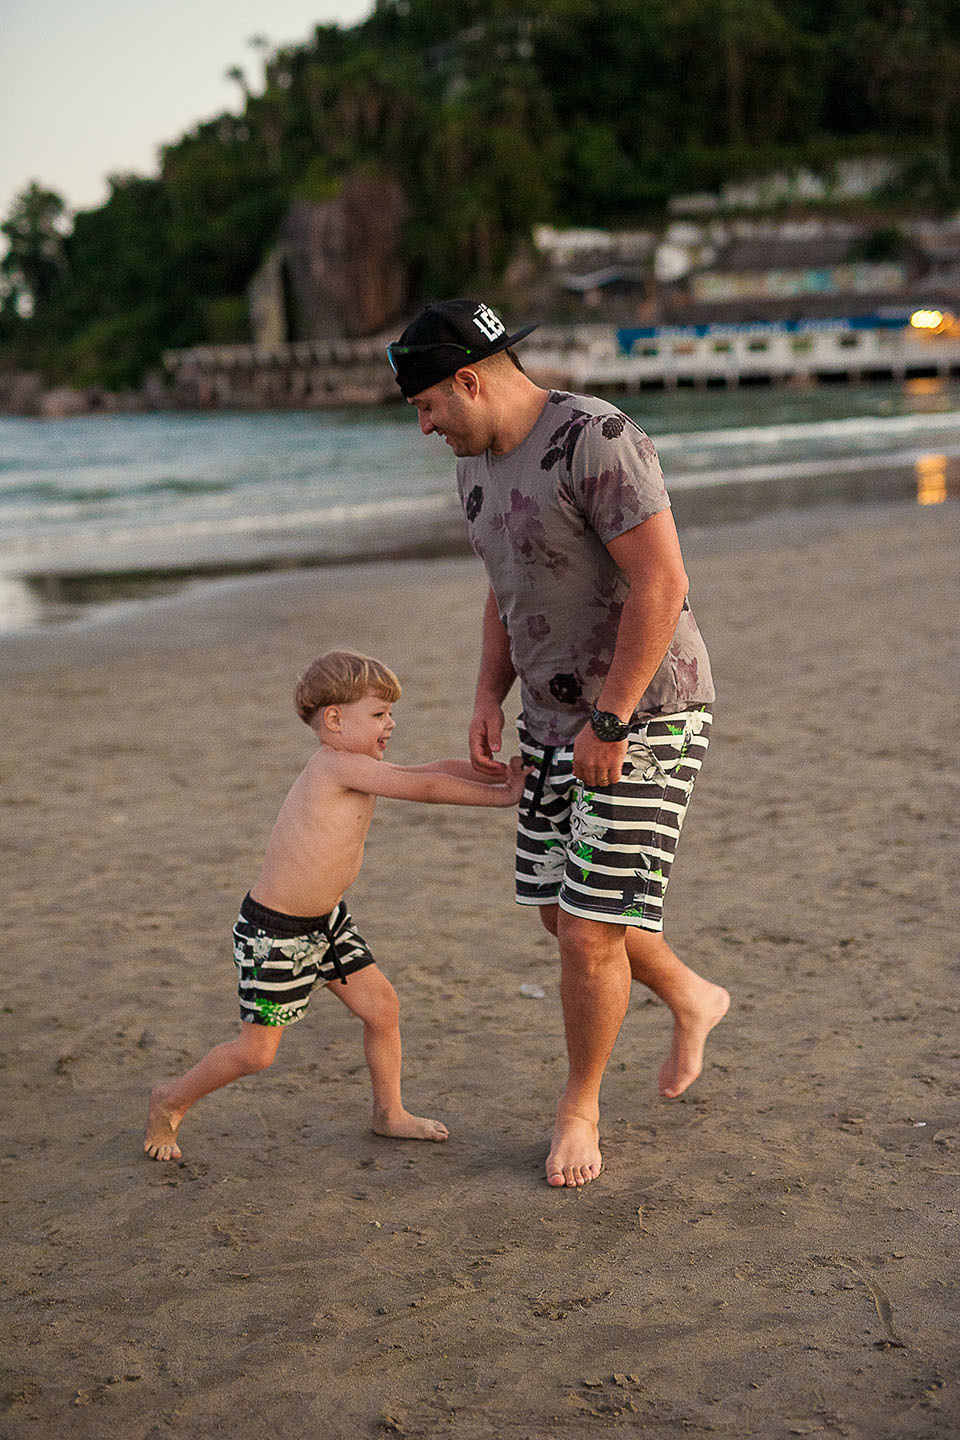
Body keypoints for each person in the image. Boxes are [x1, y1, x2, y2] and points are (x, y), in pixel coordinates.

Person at [387, 300, 730, 1189]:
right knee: (561, 911)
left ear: (469, 379)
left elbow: (662, 581)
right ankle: (692, 994)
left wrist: (612, 717)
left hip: (645, 708)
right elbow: (505, 583)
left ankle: (580, 1108)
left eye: (427, 406)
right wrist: (486, 693)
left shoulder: (597, 439)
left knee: (585, 932)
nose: (425, 427)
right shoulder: (476, 472)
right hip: (547, 715)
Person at [144, 649, 527, 1162]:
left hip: (325, 924)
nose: (390, 724)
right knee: (256, 1053)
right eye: (378, 714)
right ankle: (170, 1099)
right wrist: (504, 800)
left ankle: (389, 1112)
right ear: (334, 719)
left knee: (382, 1009)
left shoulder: (359, 765)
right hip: (275, 933)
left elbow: (429, 768)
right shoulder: (336, 766)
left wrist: (499, 775)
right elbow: (427, 788)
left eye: (390, 713)